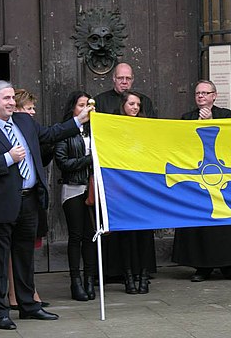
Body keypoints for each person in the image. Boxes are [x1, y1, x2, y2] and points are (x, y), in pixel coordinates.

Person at [0, 80, 93, 330]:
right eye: (6, 98)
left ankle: (28, 306)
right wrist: (7, 158)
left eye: (13, 98)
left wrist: (79, 121)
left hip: (29, 201)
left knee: (25, 257)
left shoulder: (24, 122)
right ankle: (0, 313)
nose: (12, 102)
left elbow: (51, 134)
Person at [172, 80, 231, 282]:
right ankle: (202, 267)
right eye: (198, 93)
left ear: (214, 96)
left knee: (227, 225)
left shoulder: (227, 115)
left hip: (224, 179)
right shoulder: (186, 118)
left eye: (205, 93)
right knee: (201, 225)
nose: (201, 96)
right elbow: (180, 146)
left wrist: (212, 120)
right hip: (199, 180)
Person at [94, 63, 157, 281]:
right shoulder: (101, 101)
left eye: (128, 78)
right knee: (116, 223)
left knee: (141, 224)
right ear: (113, 79)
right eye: (120, 78)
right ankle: (116, 271)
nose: (124, 82)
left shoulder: (144, 101)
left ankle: (142, 270)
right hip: (114, 175)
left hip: (140, 175)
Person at [8, 89, 49, 309]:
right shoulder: (6, 129)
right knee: (11, 248)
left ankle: (29, 293)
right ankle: (14, 294)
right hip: (12, 197)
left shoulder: (32, 128)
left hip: (32, 196)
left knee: (26, 248)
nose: (32, 112)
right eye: (29, 108)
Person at [54, 91, 97, 301]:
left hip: (93, 190)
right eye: (81, 105)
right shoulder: (65, 132)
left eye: (88, 105)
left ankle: (90, 279)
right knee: (76, 236)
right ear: (73, 108)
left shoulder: (95, 130)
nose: (85, 109)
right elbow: (62, 163)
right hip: (73, 189)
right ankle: (75, 281)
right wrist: (87, 160)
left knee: (91, 235)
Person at [118, 90, 157, 294]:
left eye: (137, 105)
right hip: (124, 188)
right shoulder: (115, 127)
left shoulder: (146, 126)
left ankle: (143, 275)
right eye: (131, 104)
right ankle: (128, 276)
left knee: (144, 234)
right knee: (127, 235)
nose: (134, 108)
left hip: (143, 188)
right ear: (123, 105)